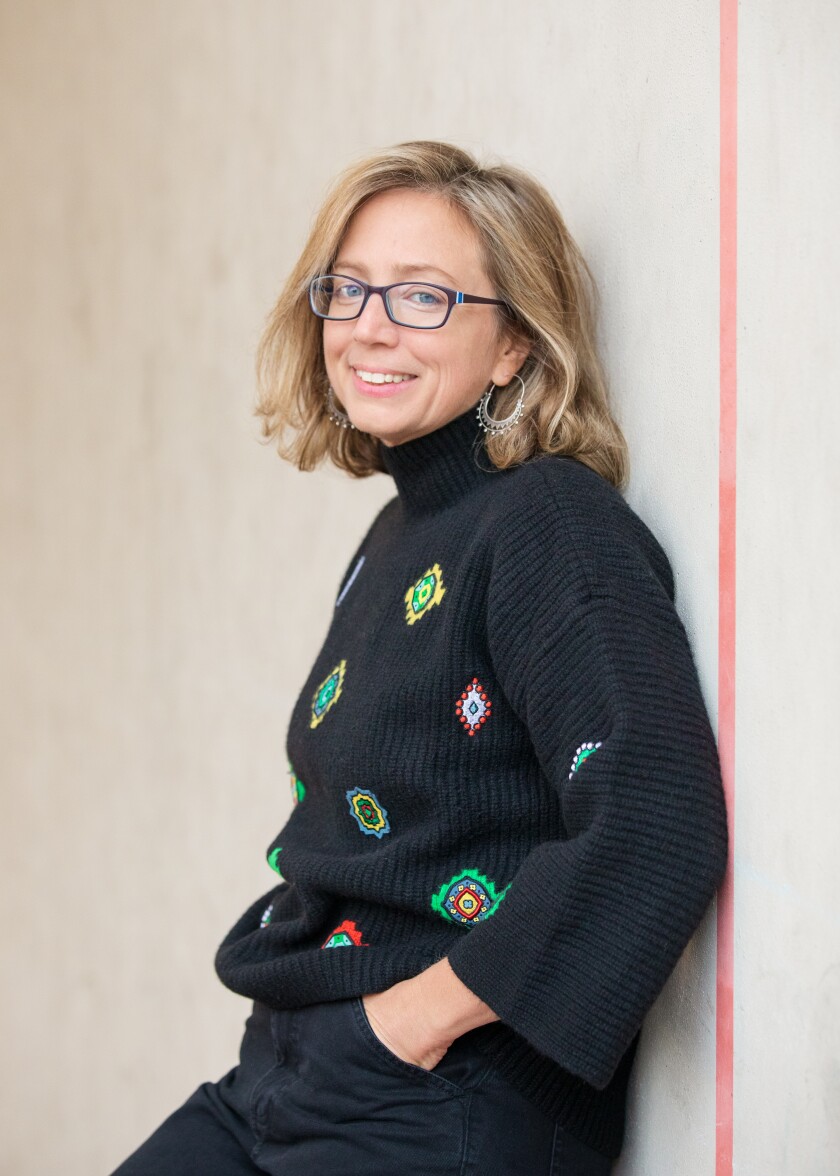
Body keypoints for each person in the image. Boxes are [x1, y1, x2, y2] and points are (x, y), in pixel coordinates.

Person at [111, 140, 728, 1176]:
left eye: (424, 297)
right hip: (287, 1067)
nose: (369, 326)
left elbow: (659, 816)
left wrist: (413, 1024)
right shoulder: (400, 535)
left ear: (516, 347)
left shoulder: (548, 522)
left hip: (430, 1096)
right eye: (346, 289)